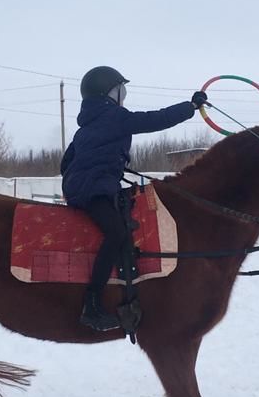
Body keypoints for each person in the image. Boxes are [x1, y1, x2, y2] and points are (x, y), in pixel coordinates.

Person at [60, 66, 207, 331]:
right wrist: (190, 107)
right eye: (121, 91)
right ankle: (92, 305)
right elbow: (154, 120)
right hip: (94, 190)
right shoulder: (114, 116)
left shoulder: (87, 126)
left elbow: (66, 162)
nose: (123, 96)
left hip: (88, 186)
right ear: (109, 94)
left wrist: (107, 166)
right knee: (116, 233)